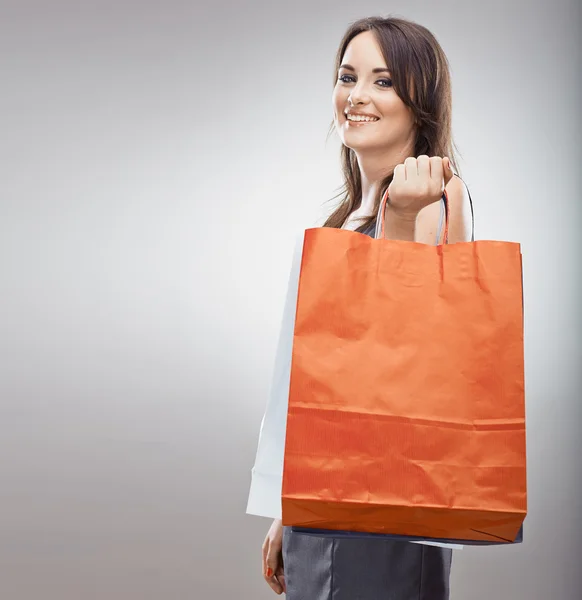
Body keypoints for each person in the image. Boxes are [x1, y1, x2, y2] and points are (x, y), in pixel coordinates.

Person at [261, 15, 473, 599]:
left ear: (419, 101)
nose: (356, 96)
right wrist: (293, 504)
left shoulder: (430, 203)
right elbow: (330, 382)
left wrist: (402, 222)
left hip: (384, 508)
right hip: (333, 502)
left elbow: (414, 359)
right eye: (347, 76)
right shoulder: (356, 211)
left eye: (383, 81)